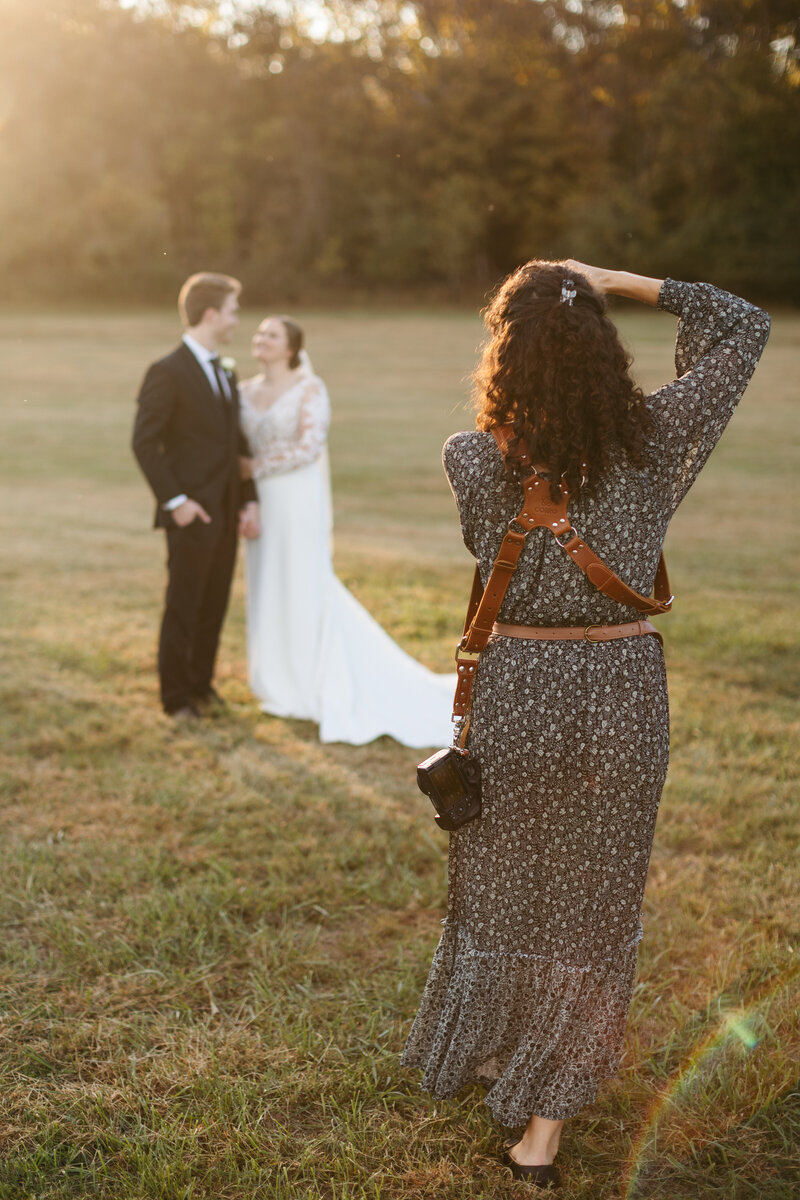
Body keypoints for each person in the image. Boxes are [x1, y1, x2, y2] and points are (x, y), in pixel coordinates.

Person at [401, 261, 770, 1188]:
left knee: (503, 883)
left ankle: (489, 1048)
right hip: (619, 687)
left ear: (505, 356)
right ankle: (543, 1132)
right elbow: (744, 326)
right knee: (595, 902)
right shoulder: (655, 440)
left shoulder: (470, 458)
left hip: (518, 685)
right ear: (606, 354)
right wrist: (619, 279)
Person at [238, 315, 455, 747]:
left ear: (291, 348)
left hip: (296, 498)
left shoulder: (309, 389)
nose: (261, 339)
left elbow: (308, 447)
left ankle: (310, 677)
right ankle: (278, 679)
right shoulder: (242, 392)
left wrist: (255, 467)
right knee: (268, 582)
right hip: (260, 503)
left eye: (272, 335)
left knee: (302, 581)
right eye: (259, 332)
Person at [132, 272, 260, 718]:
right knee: (184, 605)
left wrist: (248, 499)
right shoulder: (166, 371)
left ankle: (202, 685)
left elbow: (237, 444)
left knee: (214, 603)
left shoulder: (226, 369)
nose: (236, 320)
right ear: (211, 314)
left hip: (225, 509)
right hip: (190, 512)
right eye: (232, 312)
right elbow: (144, 443)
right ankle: (176, 698)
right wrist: (176, 502)